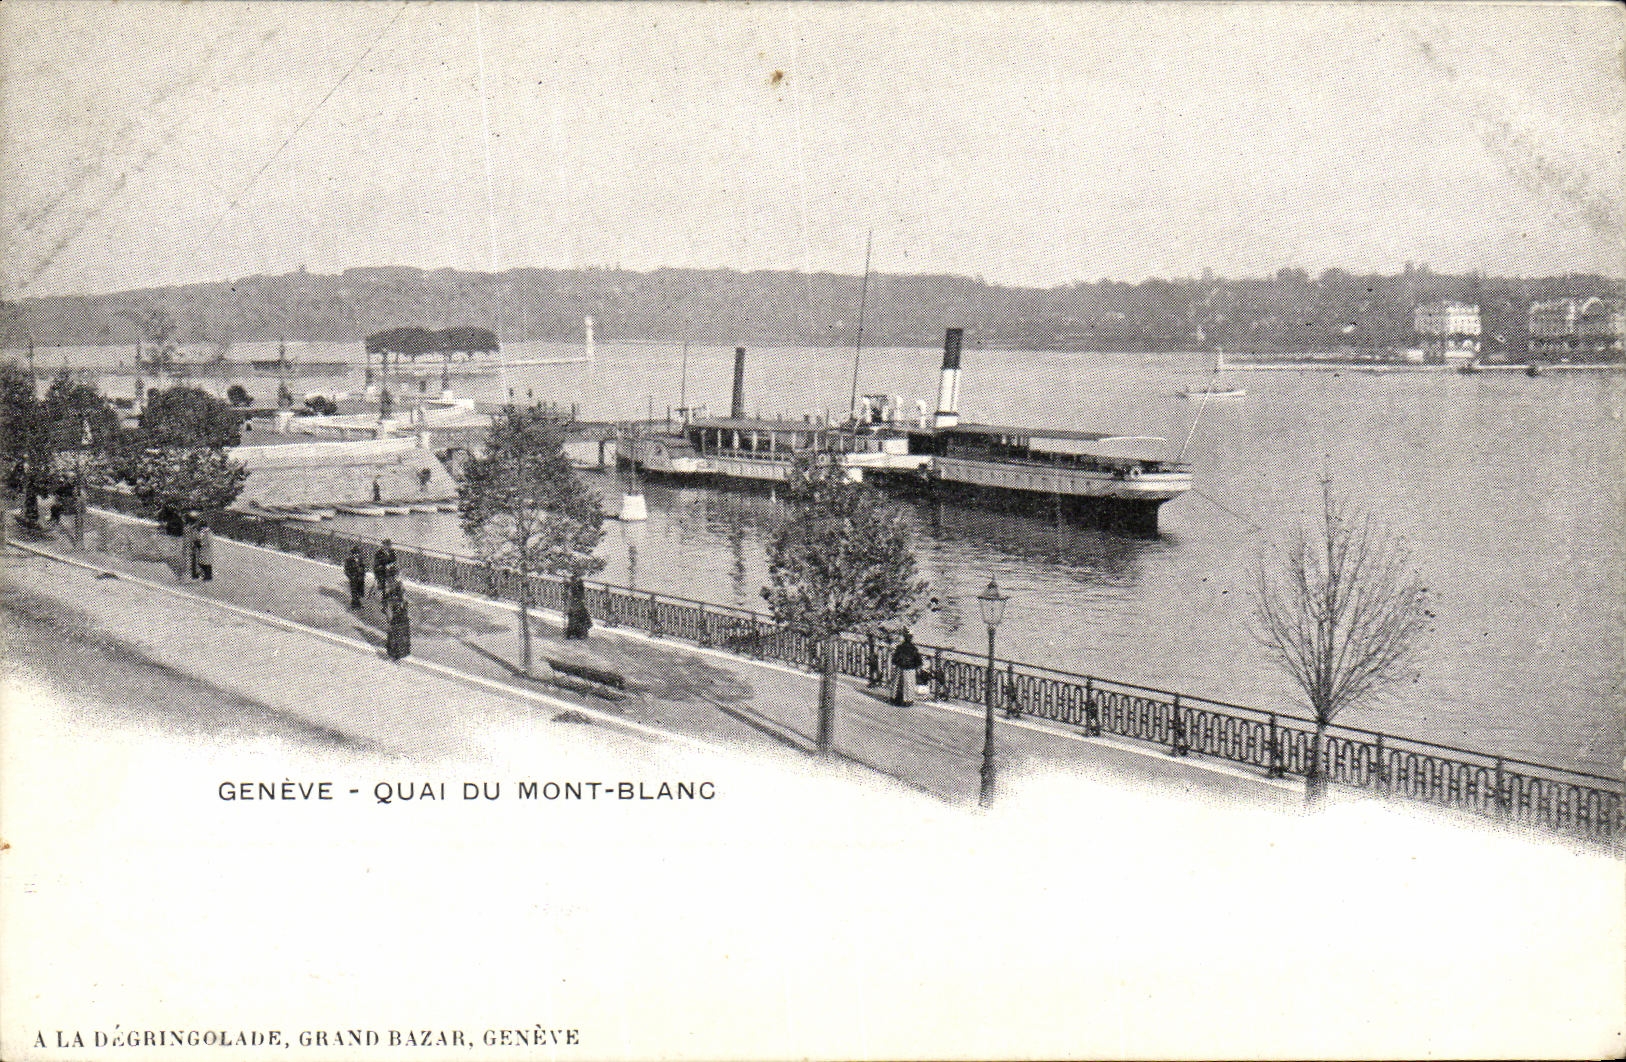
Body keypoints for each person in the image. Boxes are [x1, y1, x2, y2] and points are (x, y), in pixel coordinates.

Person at [891, 630, 923, 707]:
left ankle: (895, 698)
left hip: (900, 668)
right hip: (910, 669)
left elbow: (894, 659)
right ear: (911, 638)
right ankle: (908, 700)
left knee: (898, 683)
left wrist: (899, 663)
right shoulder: (913, 649)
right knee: (909, 684)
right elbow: (918, 660)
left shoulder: (900, 647)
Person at [385, 590, 411, 661]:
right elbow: (389, 612)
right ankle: (394, 655)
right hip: (397, 622)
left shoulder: (402, 602)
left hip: (401, 622)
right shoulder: (393, 601)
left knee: (398, 638)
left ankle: (396, 655)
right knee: (395, 638)